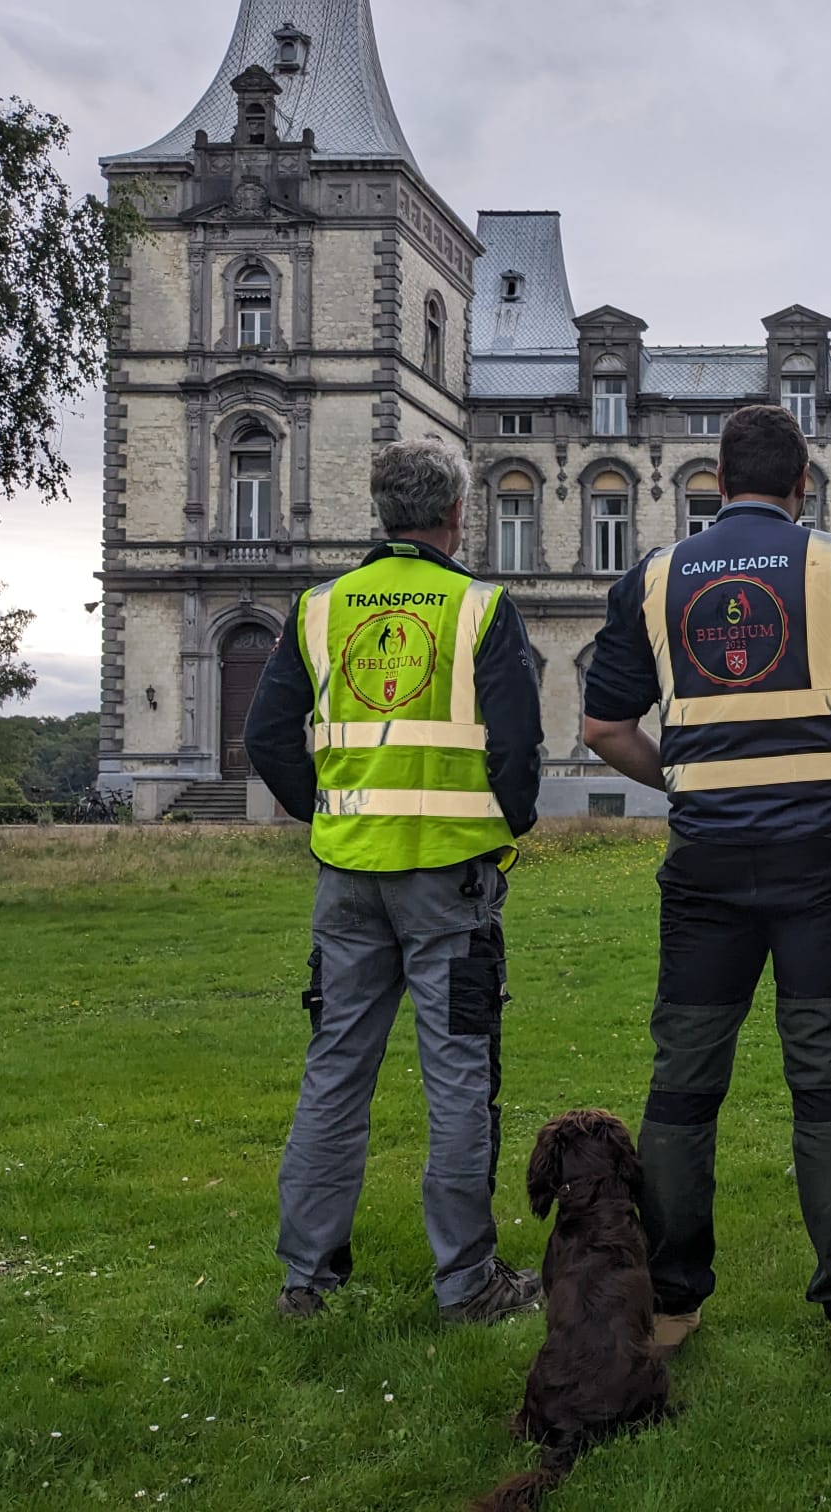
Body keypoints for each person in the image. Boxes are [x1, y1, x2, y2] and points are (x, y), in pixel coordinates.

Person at [579, 404, 831, 1375]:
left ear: (715, 482)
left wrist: (685, 777)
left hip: (706, 871)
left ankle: (675, 1306)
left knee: (684, 1090)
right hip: (825, 869)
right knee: (826, 1089)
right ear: (804, 483)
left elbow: (606, 729)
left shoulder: (651, 579)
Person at [245, 436, 545, 1324]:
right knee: (455, 1075)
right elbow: (517, 746)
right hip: (450, 880)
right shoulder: (481, 609)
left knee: (335, 1068)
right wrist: (508, 823)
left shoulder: (319, 608)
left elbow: (268, 739)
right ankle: (467, 1283)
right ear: (457, 516)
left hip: (348, 878)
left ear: (383, 514)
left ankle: (306, 1279)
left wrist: (329, 814)